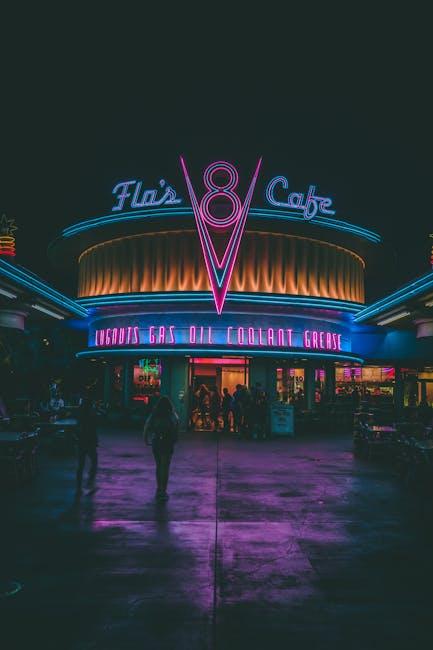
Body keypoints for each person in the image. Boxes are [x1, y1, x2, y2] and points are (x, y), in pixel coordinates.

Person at [144, 395, 179, 501]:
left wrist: (145, 439)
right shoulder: (172, 415)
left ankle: (159, 489)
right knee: (165, 467)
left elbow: (146, 427)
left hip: (156, 441)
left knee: (158, 466)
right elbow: (176, 428)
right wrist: (174, 440)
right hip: (167, 442)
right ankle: (163, 490)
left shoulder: (154, 415)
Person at [75, 397, 98, 493]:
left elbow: (78, 426)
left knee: (81, 464)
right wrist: (95, 441)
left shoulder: (80, 413)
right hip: (90, 441)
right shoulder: (92, 414)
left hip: (81, 440)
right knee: (94, 462)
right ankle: (89, 483)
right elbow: (93, 429)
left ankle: (79, 487)